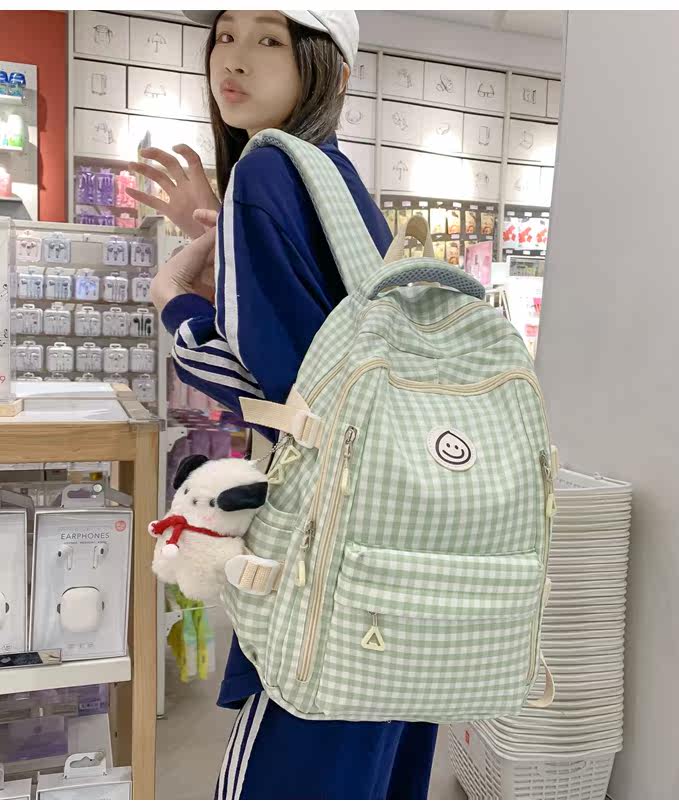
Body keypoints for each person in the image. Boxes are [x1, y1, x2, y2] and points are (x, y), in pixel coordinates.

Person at [133, 10, 439, 800]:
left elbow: (290, 392)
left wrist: (175, 306)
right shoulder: (334, 176)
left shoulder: (267, 171)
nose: (234, 60)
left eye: (270, 40)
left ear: (330, 69)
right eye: (225, 35)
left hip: (325, 562)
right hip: (396, 541)